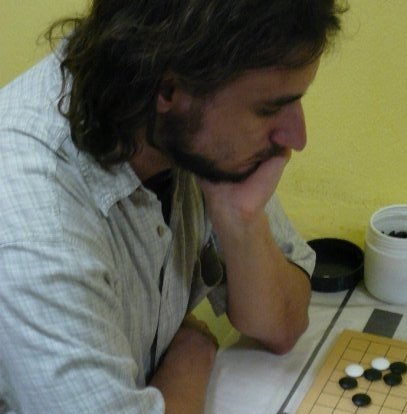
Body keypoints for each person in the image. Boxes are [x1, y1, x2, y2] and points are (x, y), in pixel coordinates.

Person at [0, 0, 347, 412]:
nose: (296, 137)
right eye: (269, 108)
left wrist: (240, 217)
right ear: (168, 90)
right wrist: (190, 357)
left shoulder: (175, 129)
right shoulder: (37, 218)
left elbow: (282, 326)